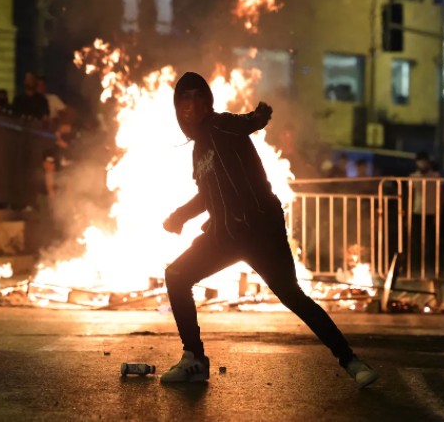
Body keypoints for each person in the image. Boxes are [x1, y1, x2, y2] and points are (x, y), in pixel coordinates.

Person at [160, 72, 378, 387]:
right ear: (178, 107)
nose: (192, 104)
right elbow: (208, 195)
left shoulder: (219, 124)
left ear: (207, 101)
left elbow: (246, 123)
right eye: (185, 98)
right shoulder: (199, 151)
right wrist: (180, 215)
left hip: (260, 232)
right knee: (177, 275)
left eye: (198, 96)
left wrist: (259, 116)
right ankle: (194, 360)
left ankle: (352, 361)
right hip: (224, 235)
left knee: (292, 295)